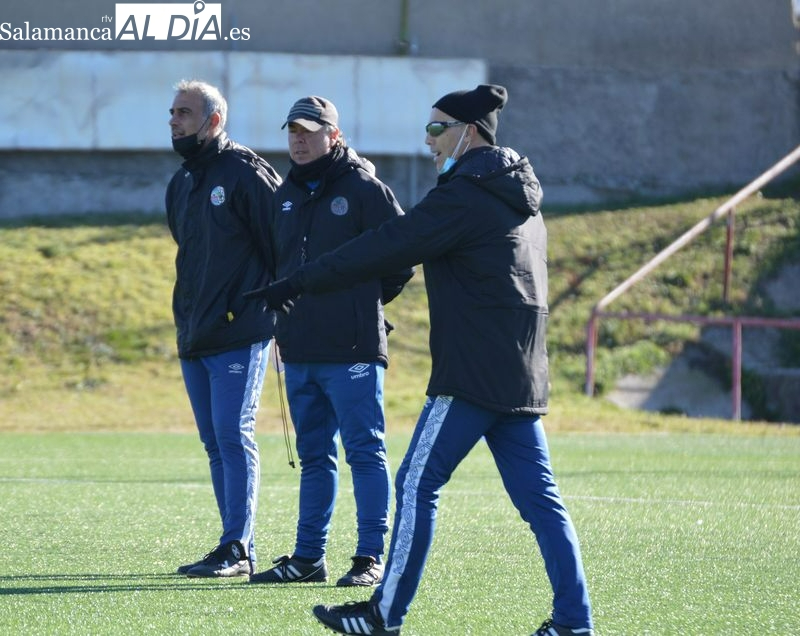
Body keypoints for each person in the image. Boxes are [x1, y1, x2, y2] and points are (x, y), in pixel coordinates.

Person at [245, 85, 594, 635]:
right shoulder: (519, 200)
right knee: (541, 503)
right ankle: (575, 623)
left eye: (436, 129)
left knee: (415, 484)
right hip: (521, 373)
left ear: (468, 132)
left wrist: (300, 282)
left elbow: (386, 243)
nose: (428, 141)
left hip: (472, 375)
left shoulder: (465, 194)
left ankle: (384, 614)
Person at [247, 96, 414, 588]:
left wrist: (362, 304)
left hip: (352, 348)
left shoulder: (364, 189)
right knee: (314, 455)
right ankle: (307, 558)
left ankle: (369, 558)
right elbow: (279, 265)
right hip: (299, 349)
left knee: (365, 450)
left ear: (333, 136)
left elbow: (402, 256)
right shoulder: (283, 194)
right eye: (292, 131)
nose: (298, 140)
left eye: (308, 131)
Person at [165, 79, 281, 578]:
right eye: (172, 113)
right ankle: (233, 543)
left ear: (214, 121)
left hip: (241, 330)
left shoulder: (246, 172)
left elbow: (282, 243)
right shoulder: (181, 182)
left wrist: (259, 310)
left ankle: (238, 548)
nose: (174, 121)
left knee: (234, 435)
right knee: (215, 442)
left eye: (184, 113)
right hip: (195, 332)